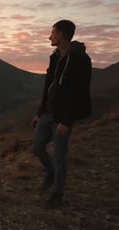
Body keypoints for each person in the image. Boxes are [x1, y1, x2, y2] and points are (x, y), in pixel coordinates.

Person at [31, 19, 92, 209]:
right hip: (48, 113)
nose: (50, 36)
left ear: (62, 35)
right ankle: (51, 173)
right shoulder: (55, 56)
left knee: (59, 156)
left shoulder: (81, 59)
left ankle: (57, 195)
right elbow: (48, 86)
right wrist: (40, 111)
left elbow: (80, 92)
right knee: (37, 148)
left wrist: (66, 121)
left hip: (62, 116)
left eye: (53, 33)